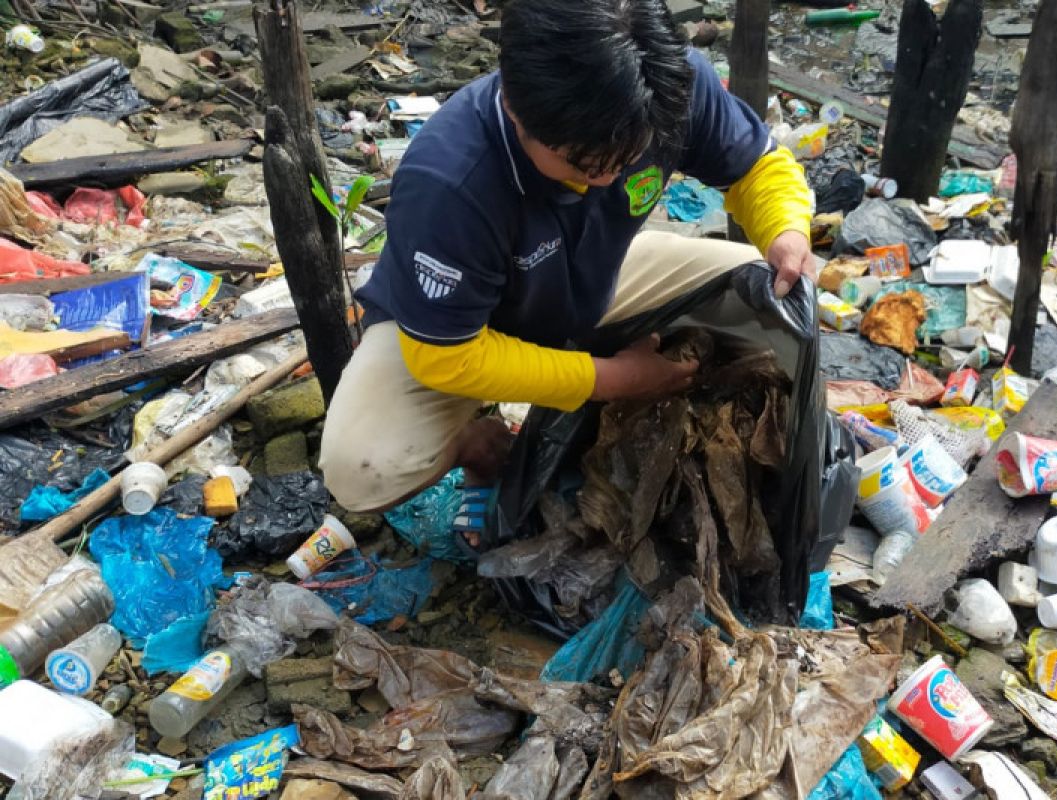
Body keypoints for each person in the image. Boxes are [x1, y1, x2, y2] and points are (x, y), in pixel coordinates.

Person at [320, 0, 815, 555]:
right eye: (582, 163)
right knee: (363, 468)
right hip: (452, 331)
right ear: (513, 106)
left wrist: (785, 231)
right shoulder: (447, 180)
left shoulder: (665, 82)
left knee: (767, 291)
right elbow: (447, 358)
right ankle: (481, 446)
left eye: (624, 159)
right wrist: (620, 379)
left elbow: (757, 167)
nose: (605, 178)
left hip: (595, 277)